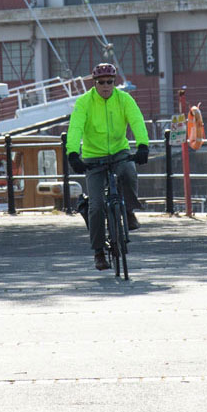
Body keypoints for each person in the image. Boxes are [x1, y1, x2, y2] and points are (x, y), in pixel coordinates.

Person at [64, 62, 150, 271]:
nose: (105, 86)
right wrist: (73, 153)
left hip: (119, 152)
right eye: (101, 82)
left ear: (114, 82)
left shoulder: (124, 99)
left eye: (109, 82)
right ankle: (99, 252)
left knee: (129, 172)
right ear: (94, 83)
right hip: (93, 157)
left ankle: (128, 211)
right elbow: (75, 127)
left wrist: (143, 146)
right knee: (95, 206)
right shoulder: (84, 102)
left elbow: (137, 121)